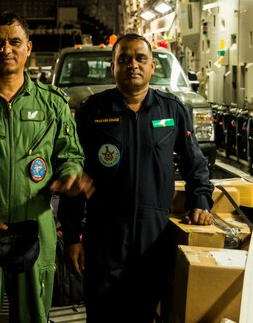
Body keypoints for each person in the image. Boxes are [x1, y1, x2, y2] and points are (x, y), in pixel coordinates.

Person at [0, 12, 94, 323]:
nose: (5, 49)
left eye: (14, 42)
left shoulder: (53, 104)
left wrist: (71, 175)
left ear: (28, 48)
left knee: (33, 316)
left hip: (34, 233)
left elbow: (70, 156)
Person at [57, 33, 214, 323]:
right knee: (102, 314)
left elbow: (196, 164)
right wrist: (71, 236)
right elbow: (75, 173)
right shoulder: (92, 111)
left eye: (140, 58)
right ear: (112, 67)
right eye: (124, 59)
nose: (133, 65)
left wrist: (200, 201)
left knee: (144, 314)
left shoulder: (172, 110)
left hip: (153, 238)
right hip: (104, 236)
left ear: (152, 66)